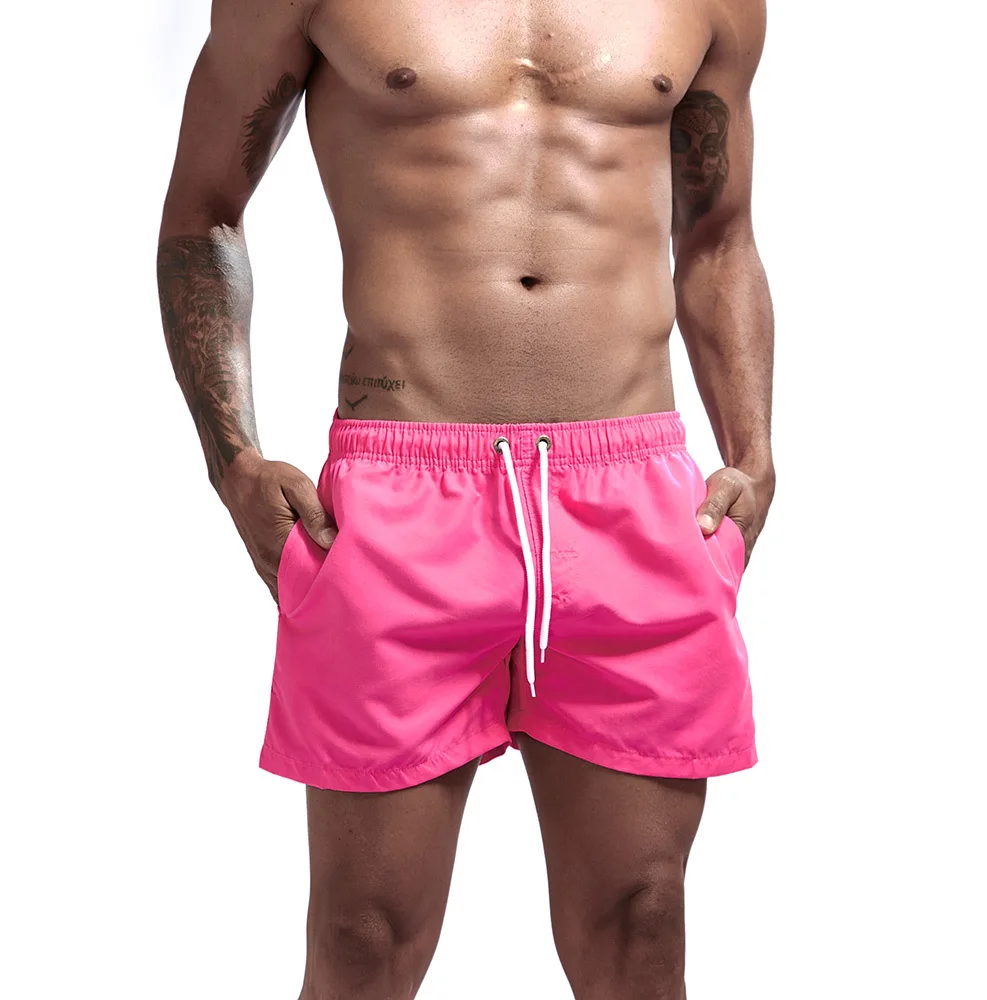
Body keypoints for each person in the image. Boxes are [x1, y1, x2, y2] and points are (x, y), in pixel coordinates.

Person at [156, 0, 774, 996]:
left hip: (629, 496)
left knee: (642, 919)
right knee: (363, 937)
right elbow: (203, 213)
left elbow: (718, 235)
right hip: (403, 497)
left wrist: (754, 449)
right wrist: (233, 460)